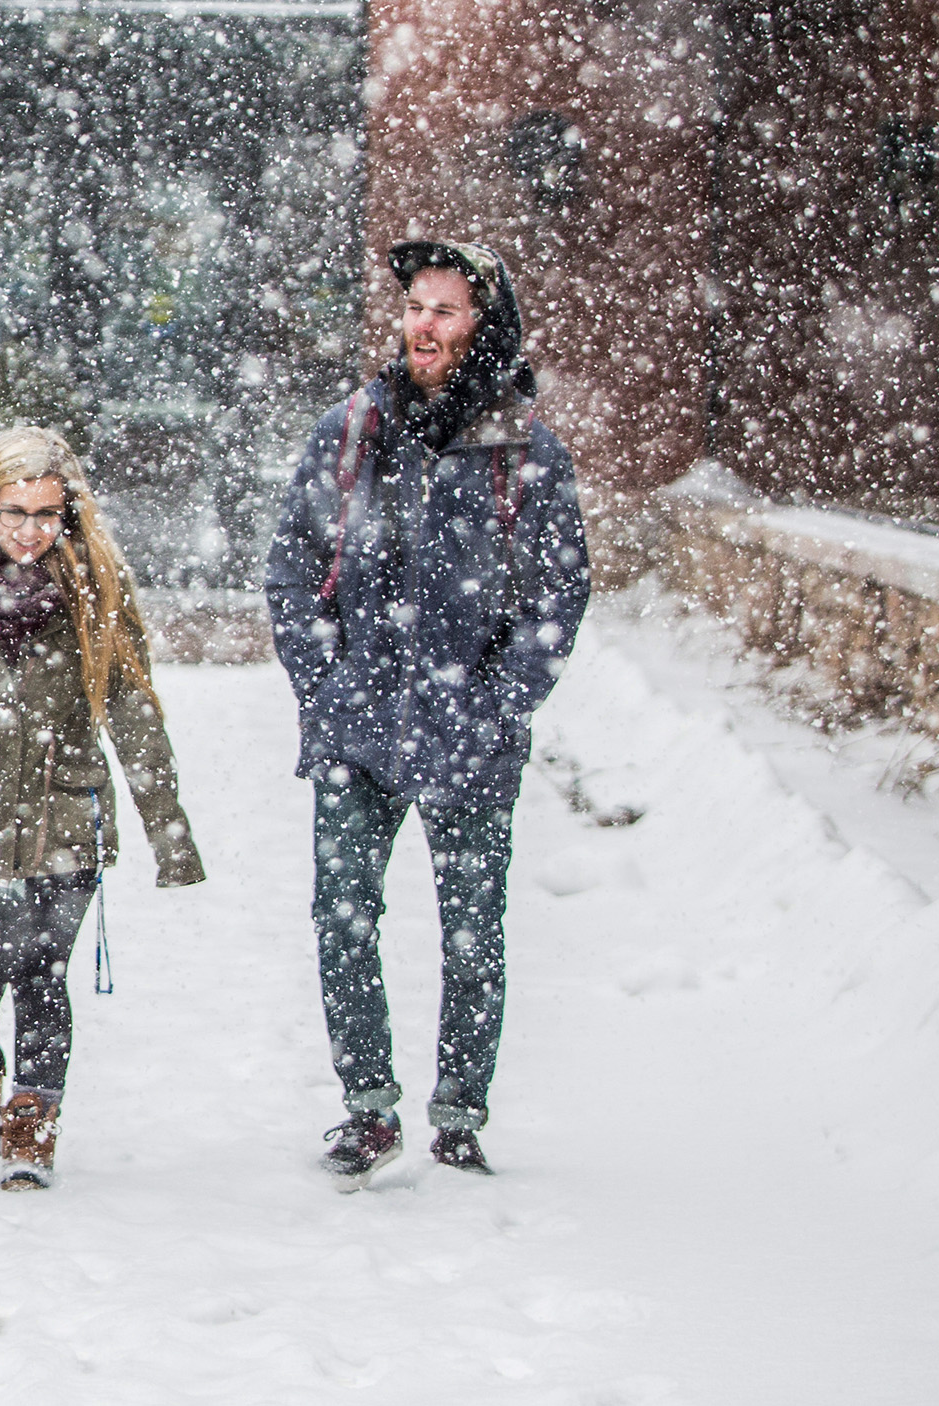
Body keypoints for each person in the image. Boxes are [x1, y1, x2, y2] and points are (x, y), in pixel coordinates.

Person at [265, 240, 590, 1190]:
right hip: (356, 732)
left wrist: (496, 706)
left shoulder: (524, 450)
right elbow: (293, 573)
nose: (423, 325)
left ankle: (458, 1114)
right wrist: (326, 691)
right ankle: (368, 1108)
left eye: (445, 310)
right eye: (415, 305)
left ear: (484, 326)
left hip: (470, 736)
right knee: (342, 917)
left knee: (472, 929)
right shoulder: (352, 429)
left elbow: (555, 602)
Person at [0, 425, 205, 1191]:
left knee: (40, 975)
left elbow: (134, 712)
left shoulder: (96, 595)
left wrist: (170, 831)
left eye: (48, 515)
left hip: (65, 820)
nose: (31, 532)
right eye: (15, 513)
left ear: (72, 515)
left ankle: (33, 1123)